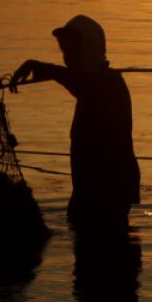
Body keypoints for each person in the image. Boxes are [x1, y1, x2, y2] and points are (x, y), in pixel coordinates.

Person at [10, 15, 140, 227]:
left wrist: (44, 68)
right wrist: (42, 68)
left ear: (89, 49)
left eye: (72, 52)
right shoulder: (92, 82)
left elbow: (84, 84)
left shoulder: (108, 84)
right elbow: (78, 82)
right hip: (88, 188)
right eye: (64, 52)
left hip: (109, 190)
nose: (67, 59)